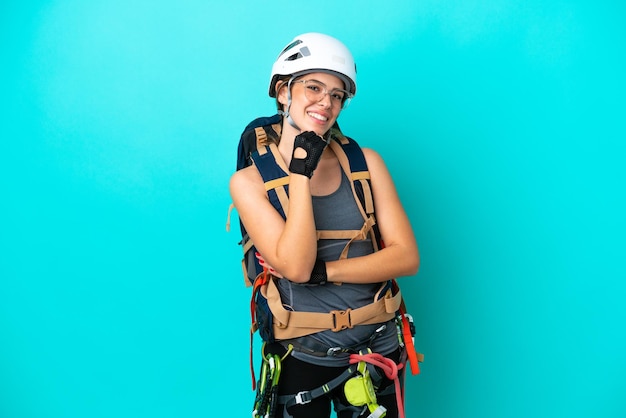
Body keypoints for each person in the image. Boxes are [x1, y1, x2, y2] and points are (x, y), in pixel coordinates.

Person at [229, 32, 420, 418]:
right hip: (301, 355)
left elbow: (406, 257)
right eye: (313, 87)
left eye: (337, 94)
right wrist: (300, 173)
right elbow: (295, 267)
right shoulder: (249, 182)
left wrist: (325, 272)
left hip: (377, 350)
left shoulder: (366, 163)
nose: (326, 102)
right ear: (284, 92)